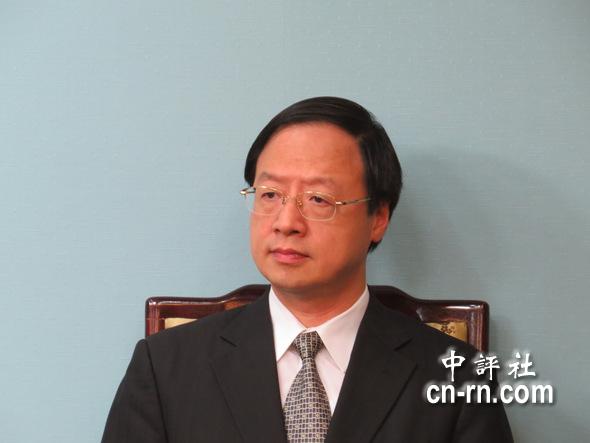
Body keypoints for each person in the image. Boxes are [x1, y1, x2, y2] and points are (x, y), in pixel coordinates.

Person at [102, 97, 513, 442]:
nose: (286, 222)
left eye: (318, 199)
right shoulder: (166, 367)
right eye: (269, 194)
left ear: (378, 217)